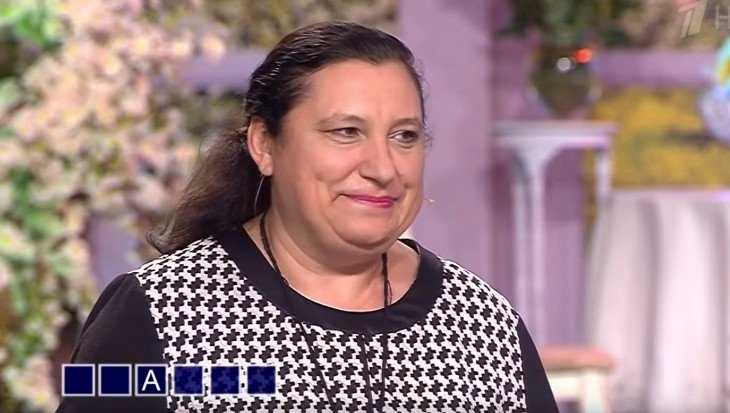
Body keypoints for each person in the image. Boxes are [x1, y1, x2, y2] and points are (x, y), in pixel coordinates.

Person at [56, 21, 558, 413]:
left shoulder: (482, 324)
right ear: (264, 145)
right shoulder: (161, 308)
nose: (383, 168)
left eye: (404, 136)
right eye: (346, 132)